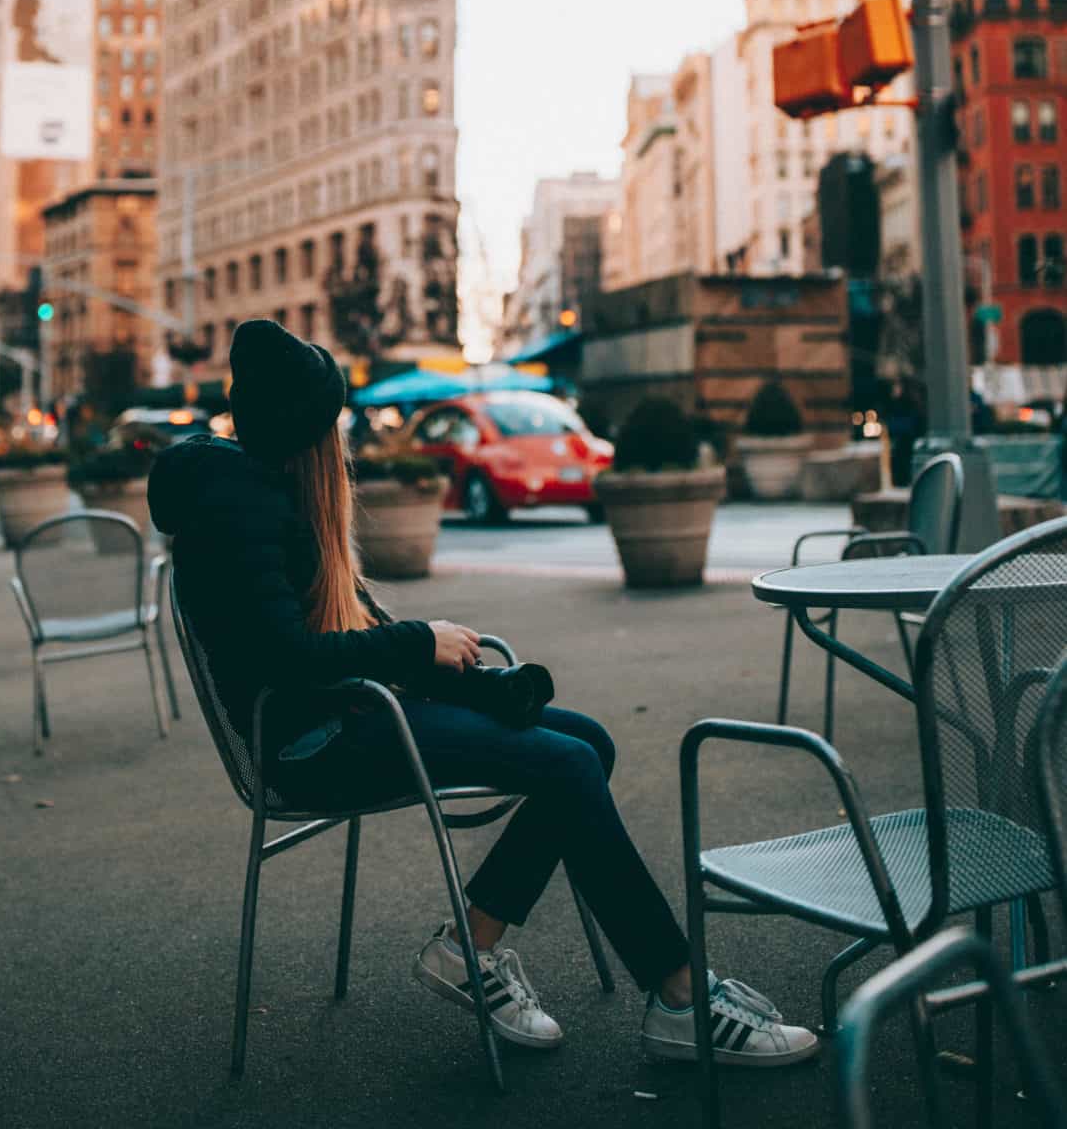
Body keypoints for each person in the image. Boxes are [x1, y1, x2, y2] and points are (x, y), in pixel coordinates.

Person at [149, 318, 817, 1069]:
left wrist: (448, 667)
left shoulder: (258, 493)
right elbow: (285, 655)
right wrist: (413, 643)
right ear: (307, 431)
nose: (342, 442)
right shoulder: (241, 507)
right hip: (311, 745)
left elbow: (332, 635)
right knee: (565, 767)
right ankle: (681, 997)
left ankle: (472, 947)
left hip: (349, 713)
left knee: (587, 744)